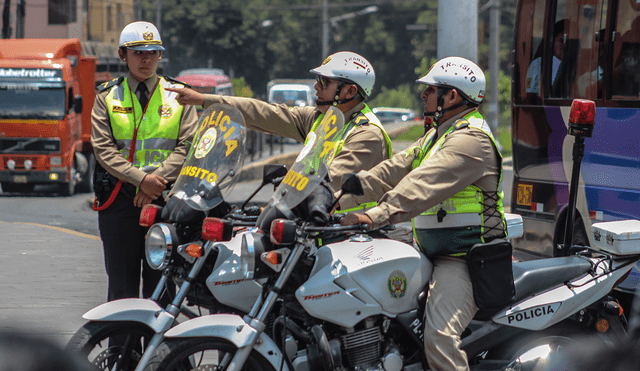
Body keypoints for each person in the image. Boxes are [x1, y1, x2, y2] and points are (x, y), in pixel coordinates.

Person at [339, 56, 506, 370]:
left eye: (430, 90)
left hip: (464, 259)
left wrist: (374, 215)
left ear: (452, 96)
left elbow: (421, 185)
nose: (423, 96)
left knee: (440, 336)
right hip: (430, 252)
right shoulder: (436, 136)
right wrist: (334, 197)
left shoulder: (471, 140)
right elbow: (390, 171)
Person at [167, 51, 392, 196]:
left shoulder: (366, 134)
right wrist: (205, 100)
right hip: (318, 227)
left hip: (354, 238)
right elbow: (265, 113)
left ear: (350, 91)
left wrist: (290, 188)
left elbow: (330, 180)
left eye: (324, 82)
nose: (316, 87)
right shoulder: (319, 120)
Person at [90, 21, 198, 302]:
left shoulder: (179, 95)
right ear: (122, 55)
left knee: (161, 288)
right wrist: (142, 181)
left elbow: (189, 145)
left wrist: (154, 183)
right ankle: (120, 348)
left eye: (153, 52)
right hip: (120, 200)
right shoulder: (107, 96)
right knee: (122, 289)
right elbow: (103, 148)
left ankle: (159, 348)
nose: (146, 59)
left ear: (160, 55)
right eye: (138, 53)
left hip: (165, 201)